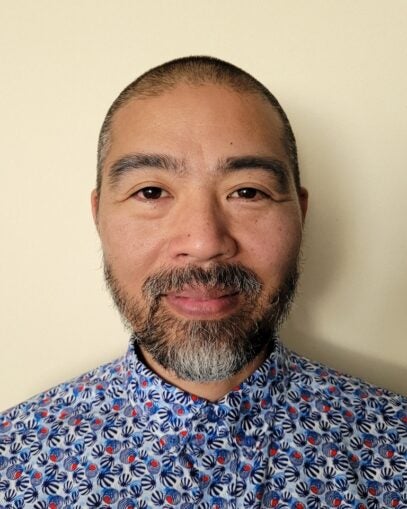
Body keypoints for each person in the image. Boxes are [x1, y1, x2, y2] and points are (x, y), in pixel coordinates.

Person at [0, 56, 405, 509]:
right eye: (151, 192)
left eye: (248, 192)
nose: (204, 242)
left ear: (300, 213)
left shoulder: (395, 447)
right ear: (99, 216)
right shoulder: (12, 463)